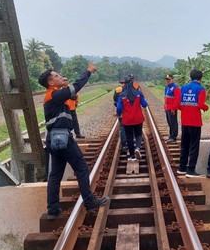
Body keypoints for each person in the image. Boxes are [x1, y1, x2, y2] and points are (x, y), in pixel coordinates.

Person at [38, 62, 109, 219]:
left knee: (55, 175)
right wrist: (88, 71)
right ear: (50, 82)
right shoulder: (55, 95)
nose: (60, 76)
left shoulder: (55, 95)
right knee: (81, 168)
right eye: (56, 76)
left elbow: (73, 95)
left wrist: (64, 84)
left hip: (52, 139)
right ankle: (89, 201)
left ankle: (53, 209)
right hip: (63, 137)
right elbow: (77, 86)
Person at [178, 69, 209, 177]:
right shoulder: (201, 89)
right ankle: (190, 170)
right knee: (194, 146)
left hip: (184, 121)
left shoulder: (183, 88)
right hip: (195, 122)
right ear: (200, 79)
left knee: (184, 145)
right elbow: (200, 104)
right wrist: (206, 107)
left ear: (190, 77)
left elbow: (179, 104)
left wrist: (186, 110)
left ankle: (181, 167)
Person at [116, 76, 148, 162]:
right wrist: (144, 100)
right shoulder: (138, 93)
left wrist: (119, 114)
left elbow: (119, 108)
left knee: (129, 137)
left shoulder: (122, 95)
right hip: (138, 119)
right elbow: (145, 104)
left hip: (127, 120)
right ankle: (137, 148)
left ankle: (132, 156)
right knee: (138, 134)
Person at [163, 74, 180, 143]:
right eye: (166, 79)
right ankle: (171, 135)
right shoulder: (166, 87)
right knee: (169, 122)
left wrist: (174, 108)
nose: (167, 81)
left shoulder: (176, 88)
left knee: (173, 122)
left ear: (172, 79)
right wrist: (164, 106)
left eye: (169, 79)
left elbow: (177, 99)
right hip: (167, 107)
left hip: (172, 108)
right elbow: (165, 97)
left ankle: (173, 136)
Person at [113, 76, 128, 152]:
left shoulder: (117, 90)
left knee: (122, 128)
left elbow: (115, 101)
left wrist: (118, 111)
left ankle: (124, 145)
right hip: (129, 112)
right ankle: (131, 143)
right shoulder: (129, 90)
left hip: (121, 112)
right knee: (130, 127)